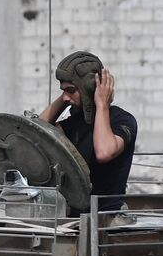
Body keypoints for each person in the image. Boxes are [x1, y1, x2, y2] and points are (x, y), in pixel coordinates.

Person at [38, 51, 137, 212]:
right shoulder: (75, 122)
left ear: (90, 88)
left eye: (71, 90)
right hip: (74, 215)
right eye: (63, 91)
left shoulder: (122, 120)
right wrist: (66, 97)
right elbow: (38, 131)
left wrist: (101, 104)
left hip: (106, 218)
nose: (65, 97)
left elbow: (104, 152)